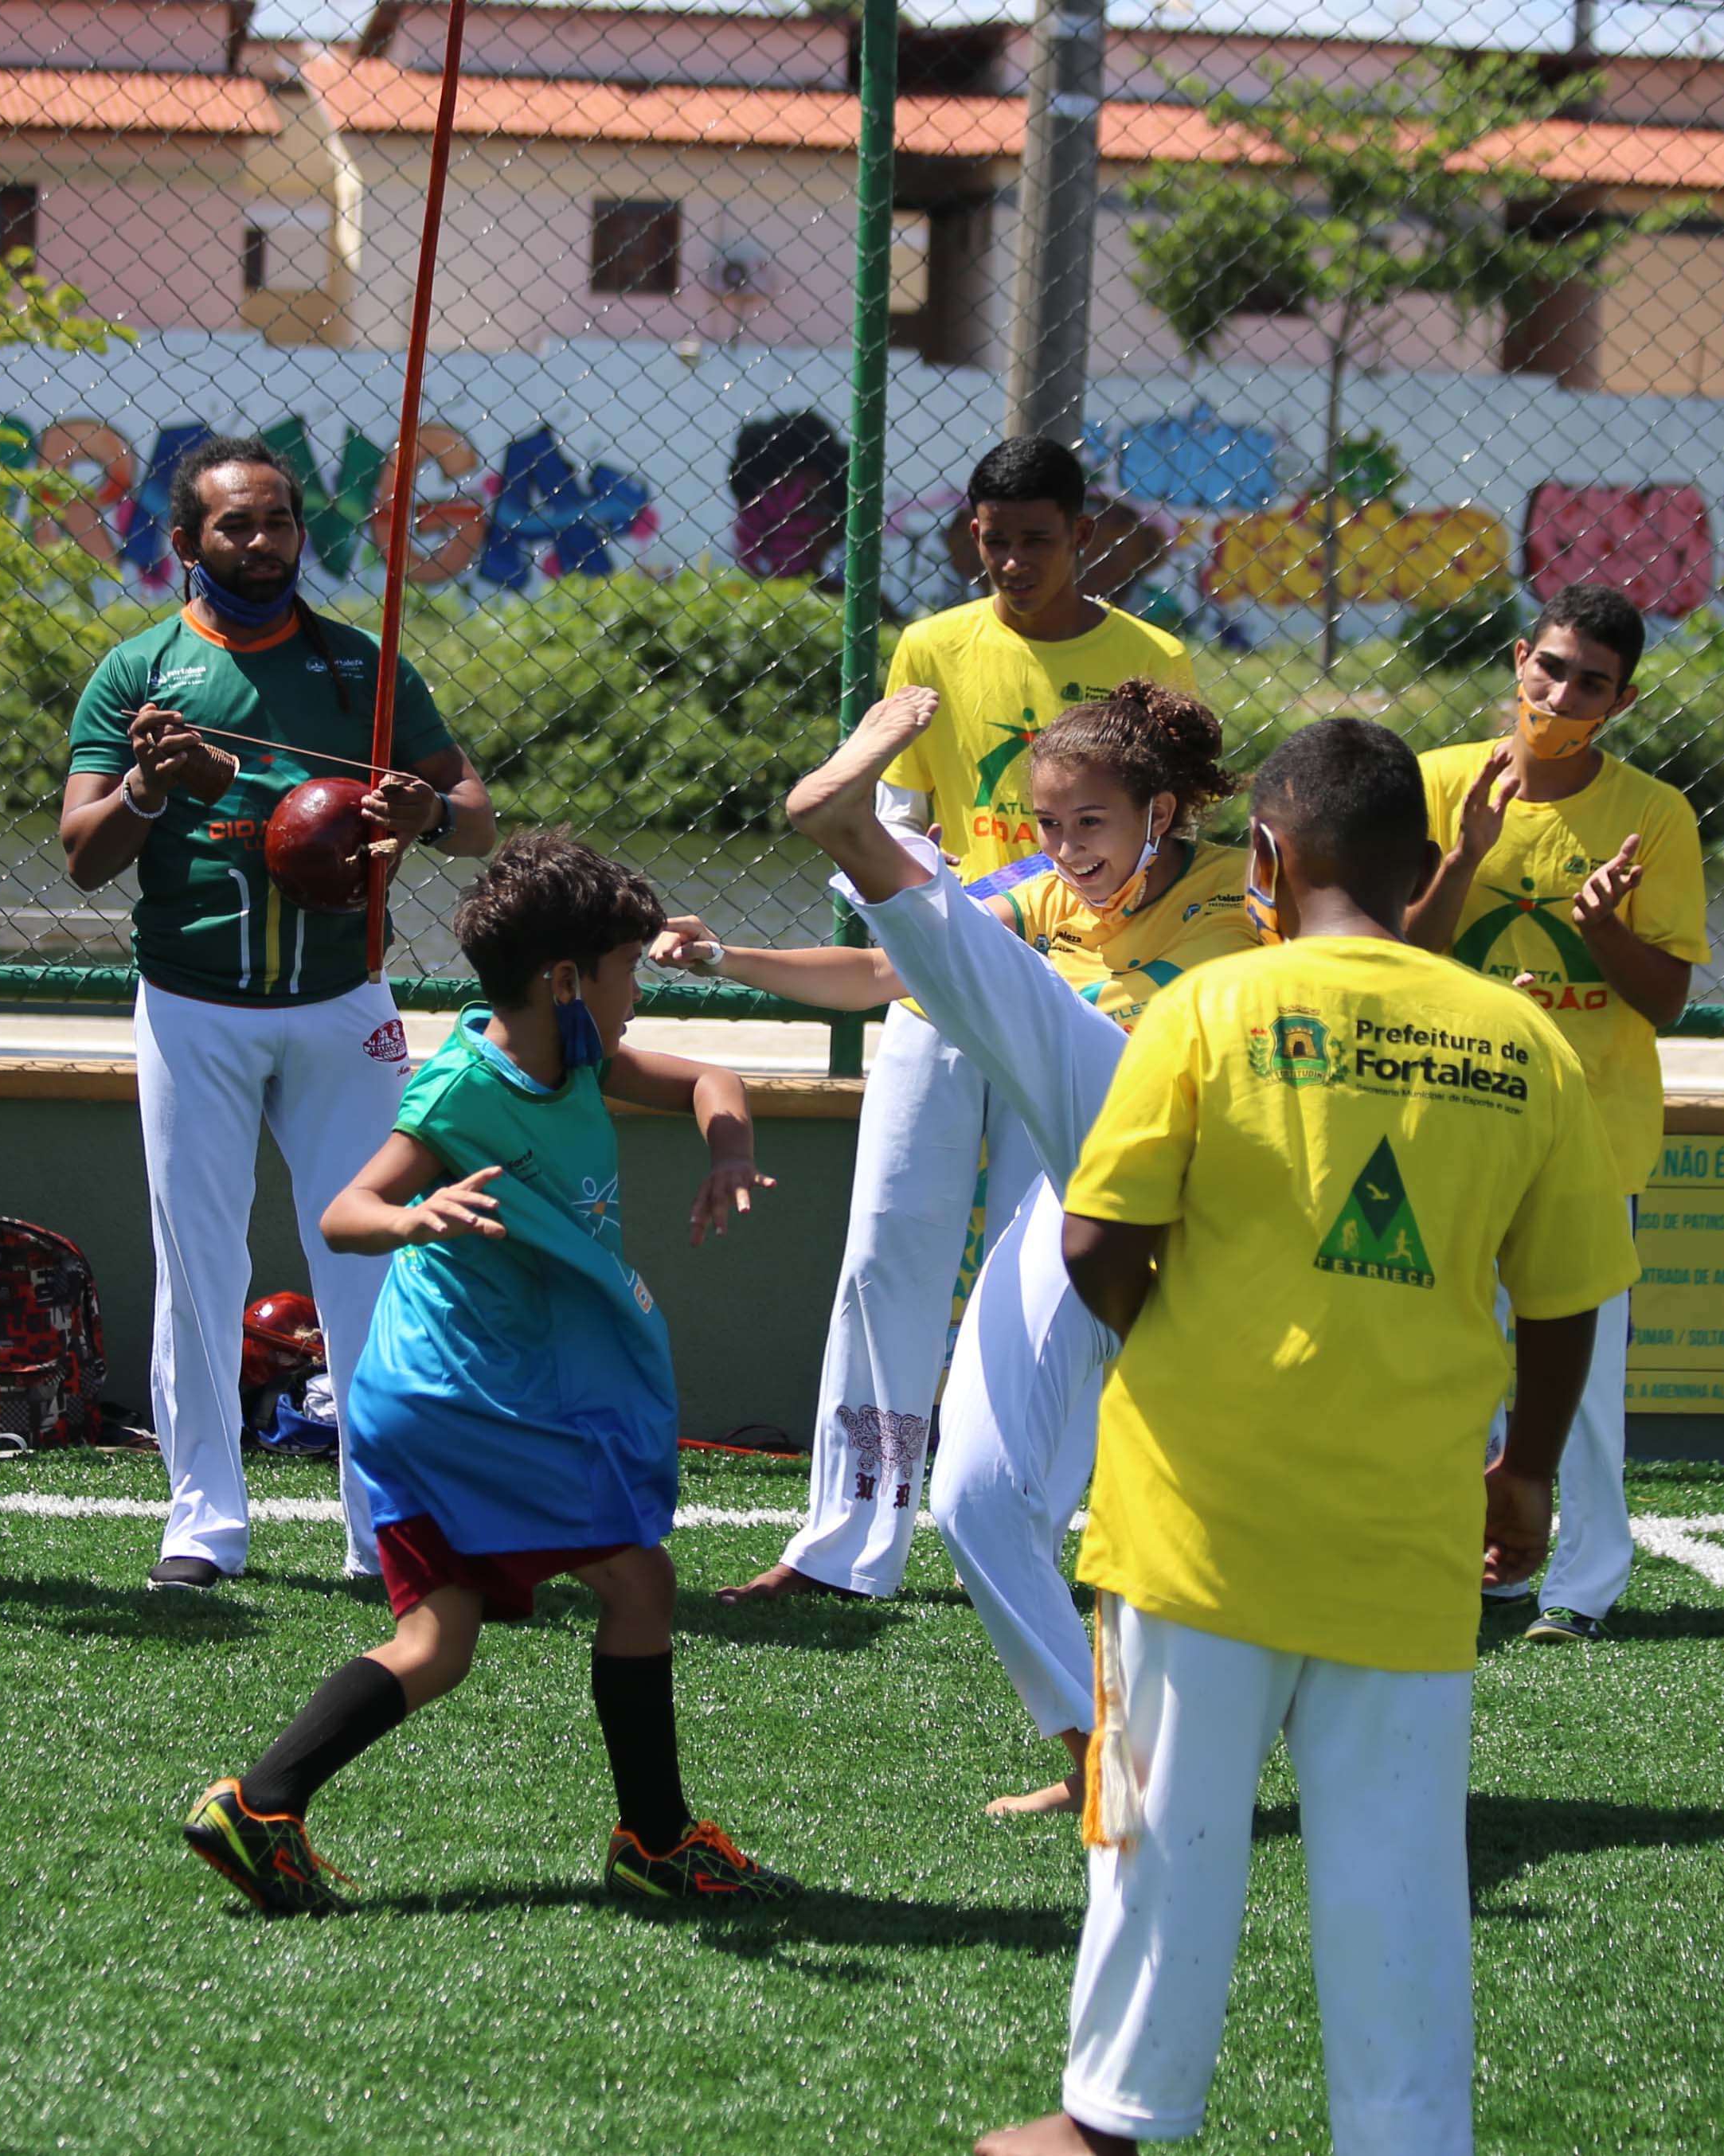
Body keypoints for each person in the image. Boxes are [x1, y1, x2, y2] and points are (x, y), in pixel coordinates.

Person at [971, 717, 1636, 2156]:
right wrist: (1524, 1476)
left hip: (1195, 1524)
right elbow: (1572, 1292)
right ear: (1416, 867)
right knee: (1399, 1870)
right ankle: (1405, 2138)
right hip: (1407, 1538)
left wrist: (1163, 1331)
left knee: (1159, 1844)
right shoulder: (1523, 1040)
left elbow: (1098, 1237)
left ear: (1264, 855)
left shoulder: (1208, 1012)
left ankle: (1107, 2128)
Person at [667, 677, 1253, 1814]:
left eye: (1092, 824)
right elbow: (892, 973)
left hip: (1216, 1179)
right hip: (1090, 1190)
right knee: (975, 1498)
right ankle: (1098, 1757)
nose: (1066, 849)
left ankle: (861, 837)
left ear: (1164, 816)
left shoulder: (1252, 892)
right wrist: (725, 960)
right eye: (1047, 825)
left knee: (1085, 1039)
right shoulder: (1039, 899)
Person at [180, 833, 794, 1912]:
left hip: (427, 1399)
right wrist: (417, 1216)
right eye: (627, 971)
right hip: (478, 1402)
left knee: (439, 1638)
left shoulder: (579, 1056)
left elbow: (712, 1078)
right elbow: (345, 1212)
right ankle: (656, 1841)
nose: (638, 993)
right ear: (566, 980)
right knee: (639, 1581)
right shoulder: (461, 1090)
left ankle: (261, 1803)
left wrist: (729, 1148)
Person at [727, 436, 1194, 1607]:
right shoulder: (931, 646)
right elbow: (889, 828)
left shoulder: (1158, 659)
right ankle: (848, 1539)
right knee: (889, 1243)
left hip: (1084, 1003)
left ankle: (1039, 1525)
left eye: (1036, 539)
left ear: (1083, 535)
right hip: (945, 984)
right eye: (992, 540)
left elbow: (1177, 832)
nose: (1012, 560)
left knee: (1055, 1263)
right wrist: (963, 921)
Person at [60, 434, 496, 1591]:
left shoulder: (365, 666)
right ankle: (204, 1522)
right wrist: (152, 786)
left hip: (343, 1000)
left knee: (366, 1258)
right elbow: (82, 857)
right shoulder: (136, 671)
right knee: (197, 1259)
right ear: (184, 542)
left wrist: (423, 815)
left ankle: (381, 1531)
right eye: (234, 526)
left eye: (280, 523)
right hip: (192, 1004)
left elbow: (476, 812)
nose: (261, 544)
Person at [1405, 582, 1703, 1646]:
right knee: (1451, 1358)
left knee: (1577, 1375)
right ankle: (1475, 1566)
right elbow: (1389, 957)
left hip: (1591, 1137)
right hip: (1446, 1120)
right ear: (1519, 658)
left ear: (1618, 704)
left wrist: (1604, 930)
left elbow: (1665, 999)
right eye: (1553, 668)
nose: (1563, 694)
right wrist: (1464, 859)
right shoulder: (1439, 785)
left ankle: (1580, 1588)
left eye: (1593, 684)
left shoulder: (1655, 814)